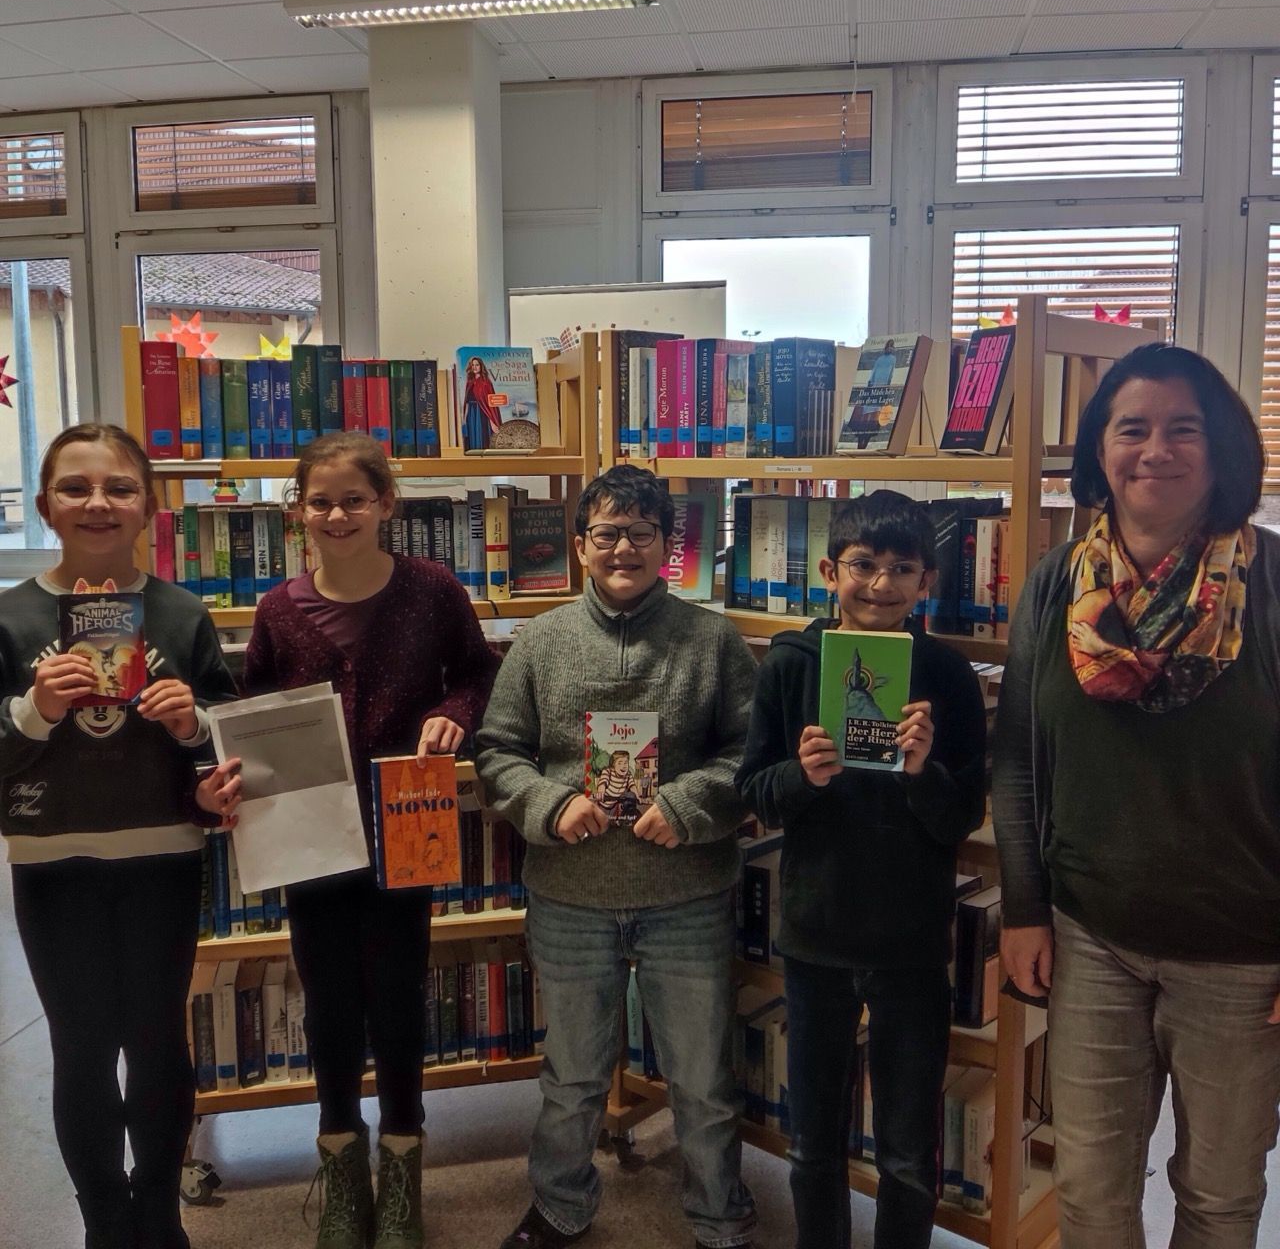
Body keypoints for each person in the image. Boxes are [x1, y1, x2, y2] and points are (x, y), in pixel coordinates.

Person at [993, 342, 1280, 1249]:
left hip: (1244, 953)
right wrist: (1024, 909)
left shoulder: (1274, 584)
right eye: (1133, 429)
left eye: (1183, 428)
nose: (1156, 449)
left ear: (1222, 448)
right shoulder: (1055, 585)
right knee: (1088, 1190)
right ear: (1099, 449)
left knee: (1220, 1196)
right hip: (1091, 937)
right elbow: (1017, 762)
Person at [201, 432, 499, 1249]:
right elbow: (255, 708)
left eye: (354, 500)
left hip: (407, 825)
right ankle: (341, 1170)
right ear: (298, 511)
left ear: (385, 505)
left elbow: (478, 672)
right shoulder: (277, 609)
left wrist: (455, 715)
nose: (337, 516)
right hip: (310, 838)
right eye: (321, 502)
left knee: (399, 998)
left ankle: (401, 1172)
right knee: (328, 1002)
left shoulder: (433, 589)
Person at [475, 463, 759, 1249]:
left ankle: (719, 1217)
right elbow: (497, 751)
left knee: (702, 1079)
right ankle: (560, 1207)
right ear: (580, 546)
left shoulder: (713, 640)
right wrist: (547, 804)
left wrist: (689, 804)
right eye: (607, 533)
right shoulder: (540, 641)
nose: (624, 548)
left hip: (686, 896)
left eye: (641, 533)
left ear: (667, 545)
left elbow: (750, 752)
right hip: (570, 897)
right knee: (571, 1078)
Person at [0, 423, 236, 1249]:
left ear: (149, 507)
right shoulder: (11, 618)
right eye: (76, 487)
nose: (97, 502)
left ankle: (159, 1216)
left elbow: (229, 744)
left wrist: (191, 725)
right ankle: (105, 1221)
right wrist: (37, 709)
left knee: (158, 1040)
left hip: (162, 859)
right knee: (81, 1048)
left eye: (119, 487)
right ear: (45, 507)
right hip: (52, 861)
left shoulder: (180, 612)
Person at [736, 490, 986, 1249]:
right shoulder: (791, 664)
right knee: (813, 1143)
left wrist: (921, 773)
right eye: (863, 565)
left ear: (928, 581)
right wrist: (802, 777)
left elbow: (961, 816)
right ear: (828, 571)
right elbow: (754, 793)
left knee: (907, 1153)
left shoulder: (948, 675)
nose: (881, 584)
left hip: (911, 941)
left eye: (902, 569)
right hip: (817, 934)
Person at [462, 355, 500, 452]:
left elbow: (490, 405)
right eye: (473, 365)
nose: (474, 367)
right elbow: (467, 402)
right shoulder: (469, 382)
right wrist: (464, 419)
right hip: (471, 414)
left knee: (481, 435)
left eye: (477, 365)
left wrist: (492, 422)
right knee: (471, 435)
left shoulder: (486, 382)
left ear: (481, 366)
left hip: (482, 414)